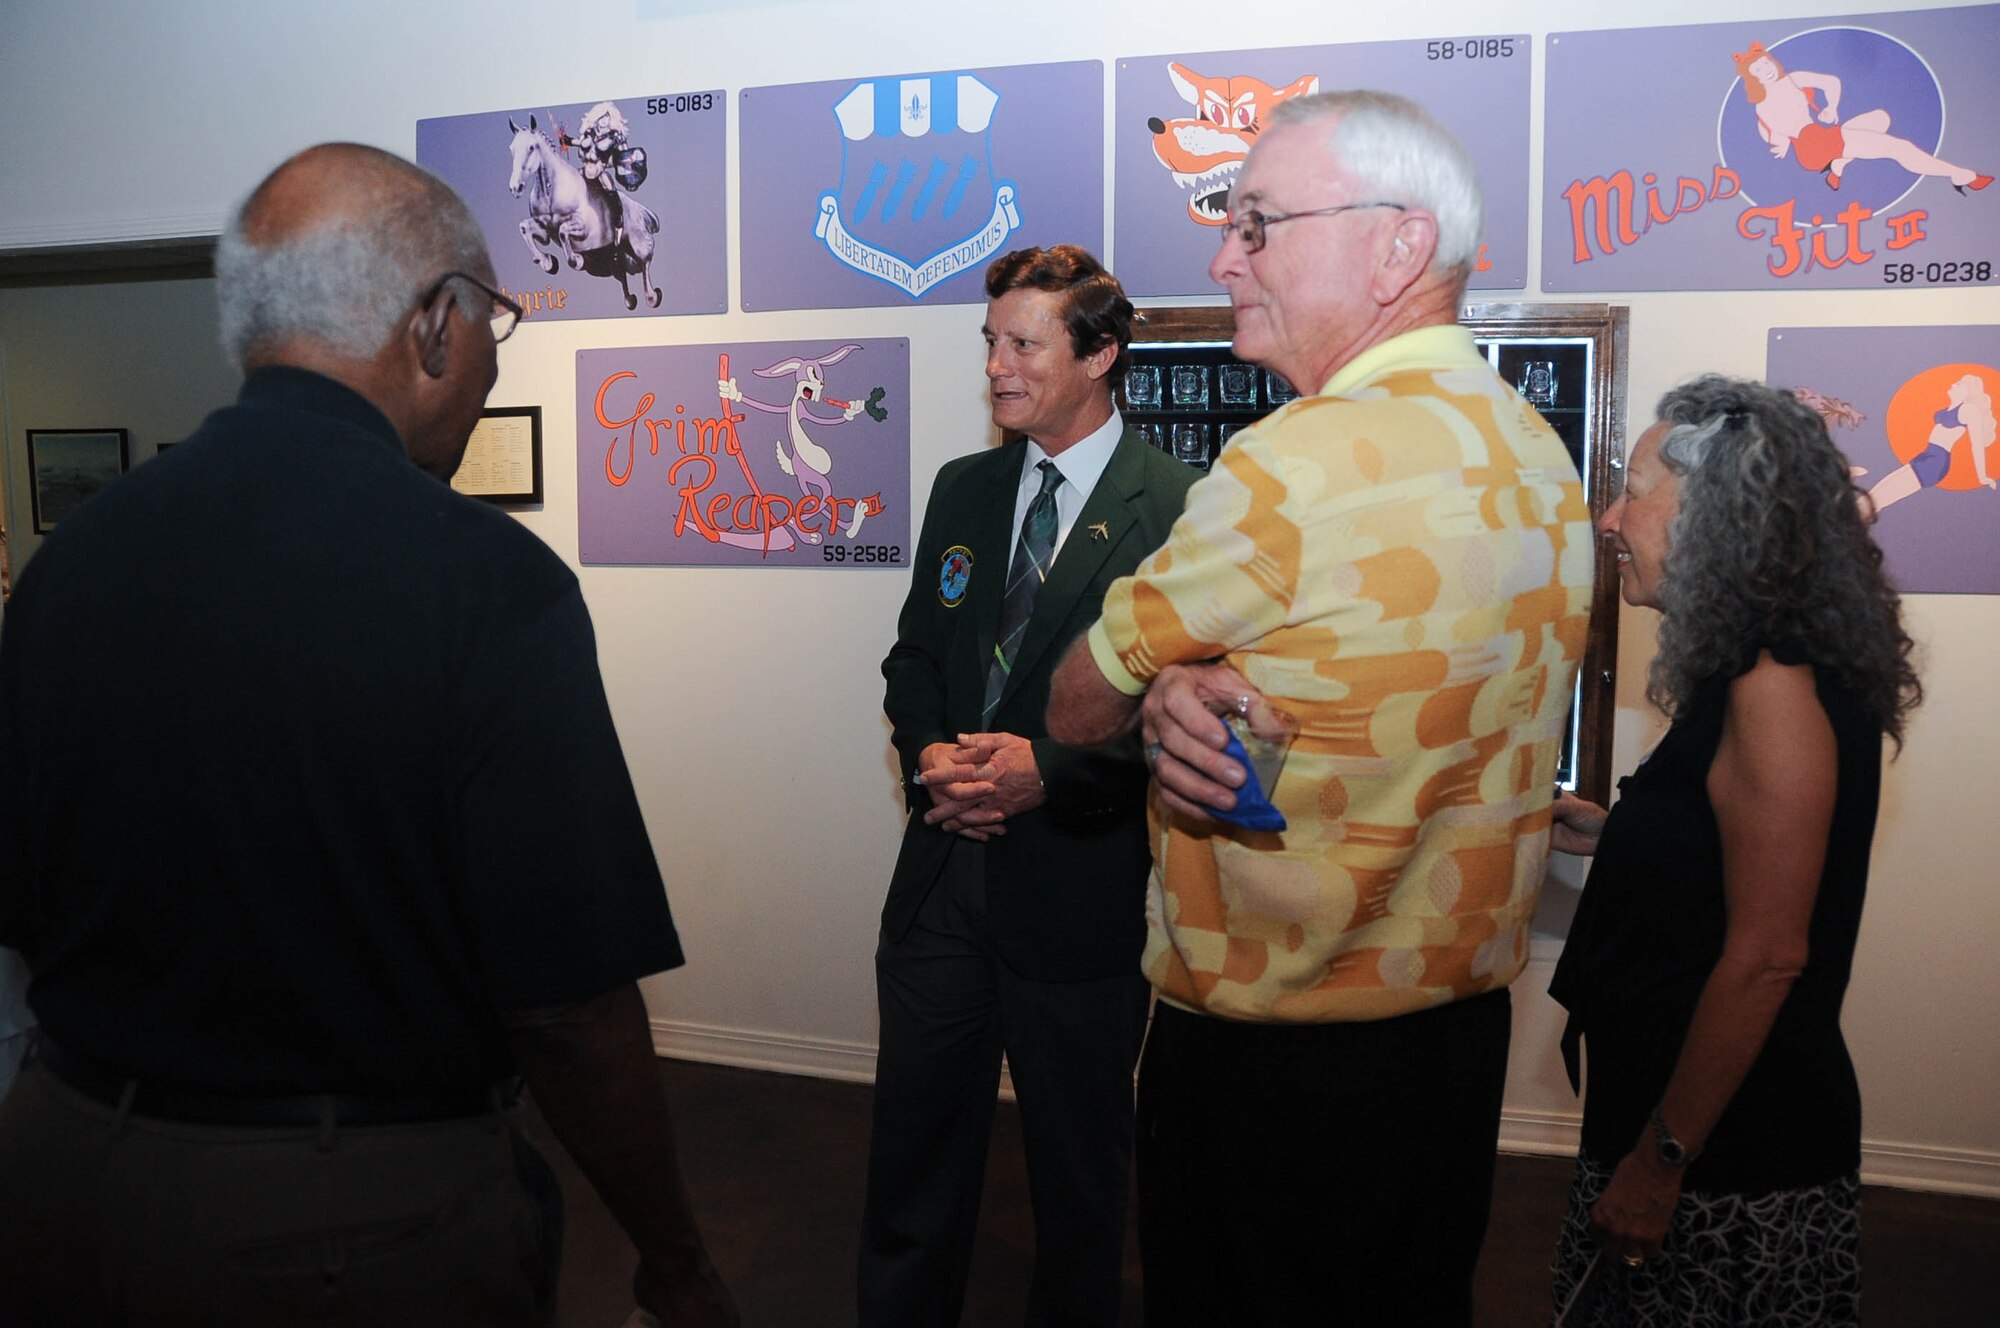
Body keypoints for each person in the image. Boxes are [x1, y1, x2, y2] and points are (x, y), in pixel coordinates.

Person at [0, 143, 735, 1328]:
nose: (495, 358)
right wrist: (676, 1256)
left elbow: (25, 906)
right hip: (346, 1225)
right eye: (495, 316)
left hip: (58, 1177)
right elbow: (568, 1006)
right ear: (434, 324)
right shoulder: (488, 583)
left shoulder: (68, 563)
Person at [1047, 90, 1594, 1325]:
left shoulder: (1292, 459)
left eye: (1255, 222)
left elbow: (1077, 701)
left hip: (1270, 1058)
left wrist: (1153, 685)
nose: (1218, 255)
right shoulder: (1533, 447)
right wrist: (1181, 687)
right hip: (1451, 1057)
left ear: (1397, 245)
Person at [861, 244, 1198, 1325]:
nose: (996, 368)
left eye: (1022, 344)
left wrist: (1043, 773)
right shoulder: (965, 486)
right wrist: (928, 755)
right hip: (940, 881)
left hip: (1077, 890)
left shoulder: (1180, 506)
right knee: (914, 1151)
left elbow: (1181, 713)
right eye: (990, 344)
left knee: (1077, 1172)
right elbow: (912, 658)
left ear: (1100, 353)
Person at [1544, 376, 1921, 1326]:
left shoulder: (1774, 684)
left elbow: (1765, 959)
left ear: (1715, 517)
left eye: (1633, 491)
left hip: (1730, 1163)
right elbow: (1727, 860)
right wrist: (1618, 834)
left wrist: (1660, 1161)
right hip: (1694, 1134)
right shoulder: (1754, 666)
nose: (1610, 517)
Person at [1732, 40, 1991, 193]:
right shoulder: (1776, 95)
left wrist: (1832, 107)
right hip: (1816, 143)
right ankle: (1960, 175)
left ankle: (1838, 166)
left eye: (1765, 62)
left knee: (1880, 119)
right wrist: (1784, 139)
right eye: (1758, 68)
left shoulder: (1781, 89)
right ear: (1751, 76)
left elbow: (1831, 82)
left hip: (1815, 146)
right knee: (1899, 148)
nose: (1765, 69)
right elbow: (1775, 138)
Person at [1864, 371, 1997, 514]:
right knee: (1879, 491)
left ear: (1968, 392)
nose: (1953, 385)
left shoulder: (1969, 411)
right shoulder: (1952, 407)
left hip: (1934, 463)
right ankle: (1850, 515)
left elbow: (1976, 445)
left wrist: (1982, 476)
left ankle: (1852, 523)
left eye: (1959, 384)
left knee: (1884, 496)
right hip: (1926, 455)